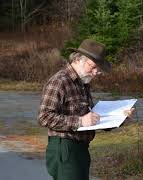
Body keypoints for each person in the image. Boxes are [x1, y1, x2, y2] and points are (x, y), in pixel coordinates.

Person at [37, 39, 134, 180]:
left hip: (81, 149)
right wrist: (80, 121)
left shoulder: (83, 82)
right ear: (78, 59)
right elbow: (44, 117)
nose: (95, 72)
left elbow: (92, 119)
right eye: (93, 67)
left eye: (98, 70)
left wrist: (120, 117)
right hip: (65, 148)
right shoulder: (59, 81)